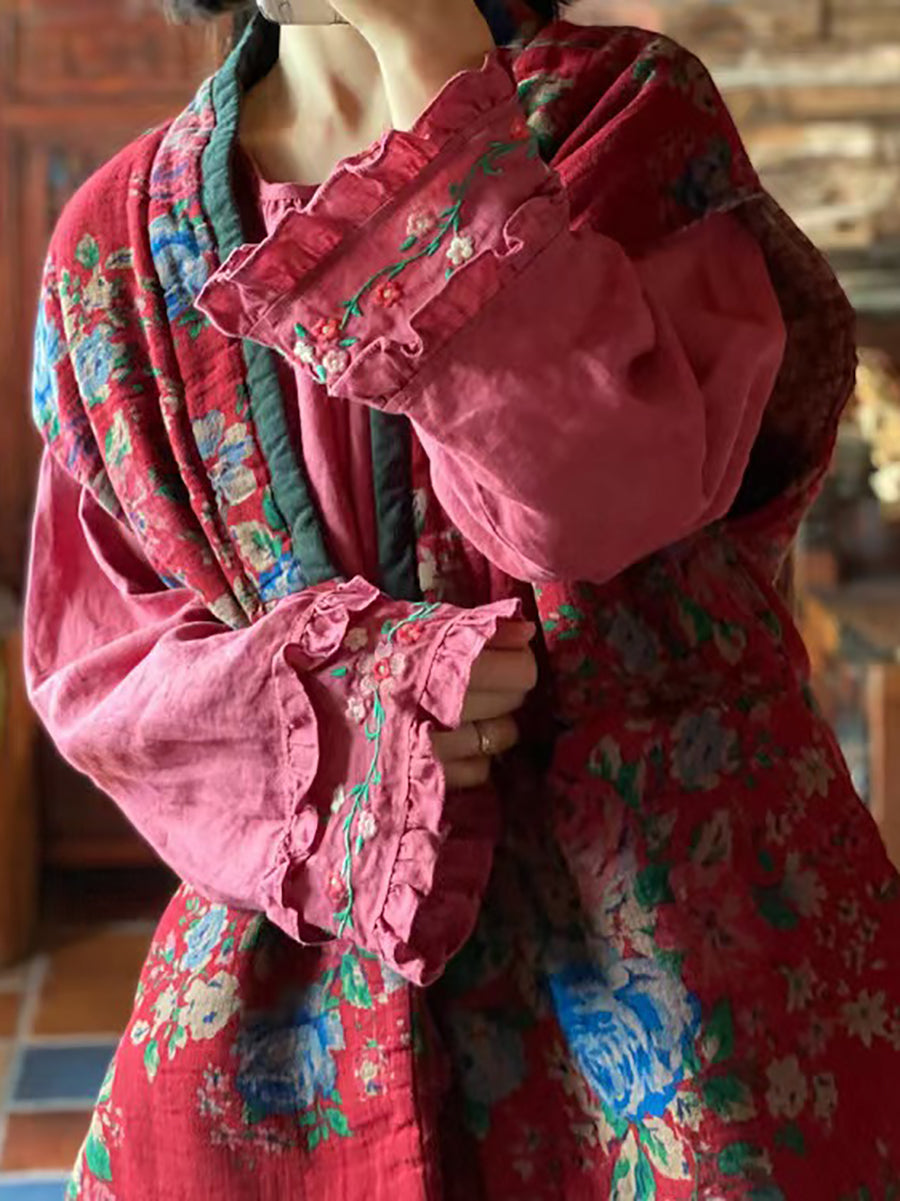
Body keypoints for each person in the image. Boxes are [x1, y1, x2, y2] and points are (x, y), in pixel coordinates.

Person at [24, 0, 900, 1196]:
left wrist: (437, 83)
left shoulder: (627, 111)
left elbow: (600, 498)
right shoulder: (116, 245)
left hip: (683, 953)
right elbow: (99, 659)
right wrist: (347, 714)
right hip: (300, 978)